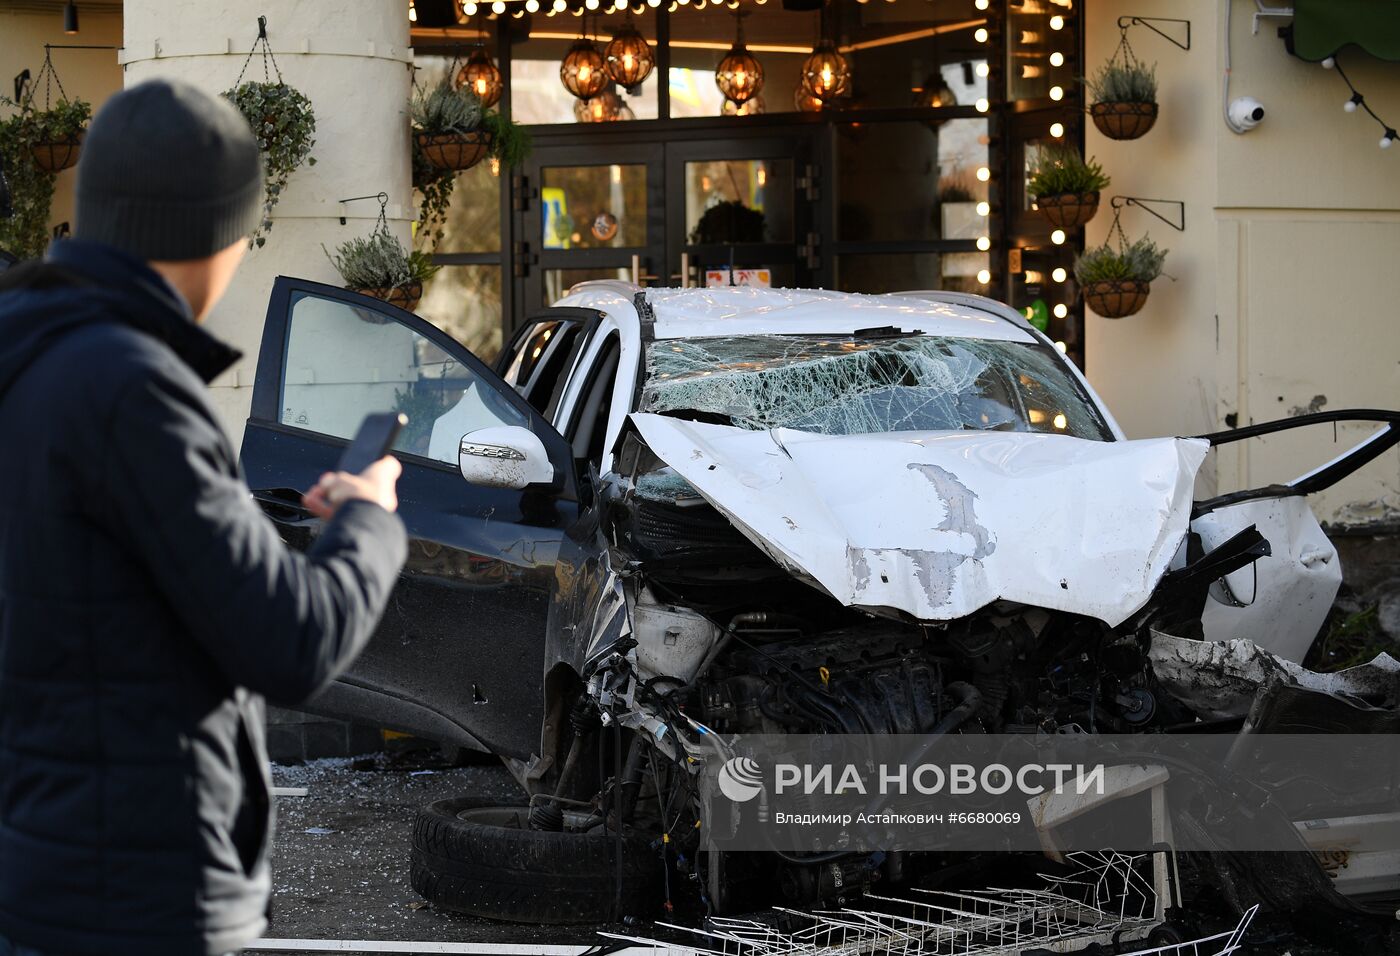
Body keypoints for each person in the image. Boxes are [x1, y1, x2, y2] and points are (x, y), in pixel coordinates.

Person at [0, 79, 408, 955]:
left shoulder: (32, 352)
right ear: (218, 235)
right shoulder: (130, 387)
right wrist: (370, 521)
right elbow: (289, 643)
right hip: (128, 898)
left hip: (42, 862)